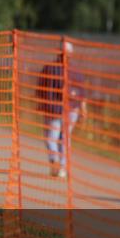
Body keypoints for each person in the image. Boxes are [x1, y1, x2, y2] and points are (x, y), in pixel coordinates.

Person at [36, 41, 86, 178]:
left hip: (55, 110)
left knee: (51, 139)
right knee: (64, 138)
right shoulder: (75, 71)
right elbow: (81, 93)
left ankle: (56, 162)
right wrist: (82, 108)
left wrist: (42, 103)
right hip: (70, 110)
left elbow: (41, 90)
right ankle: (62, 166)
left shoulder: (50, 69)